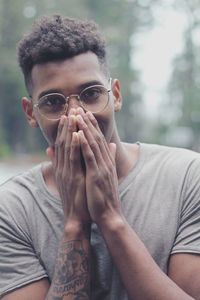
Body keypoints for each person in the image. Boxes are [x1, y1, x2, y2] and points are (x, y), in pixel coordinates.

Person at [0, 14, 200, 300]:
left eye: (91, 94)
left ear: (115, 95)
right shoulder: (10, 211)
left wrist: (110, 218)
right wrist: (74, 225)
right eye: (53, 101)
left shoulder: (187, 178)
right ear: (31, 113)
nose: (76, 115)